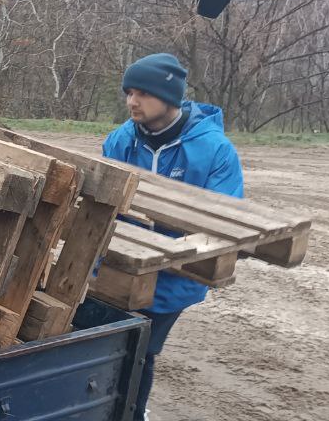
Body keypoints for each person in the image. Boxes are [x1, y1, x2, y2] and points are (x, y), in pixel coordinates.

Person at [101, 53, 243, 421]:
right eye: (128, 92)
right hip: (117, 268)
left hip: (175, 275)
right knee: (104, 342)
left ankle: (133, 413)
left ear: (170, 97)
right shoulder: (119, 141)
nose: (132, 101)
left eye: (142, 93)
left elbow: (224, 225)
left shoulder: (214, 150)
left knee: (140, 348)